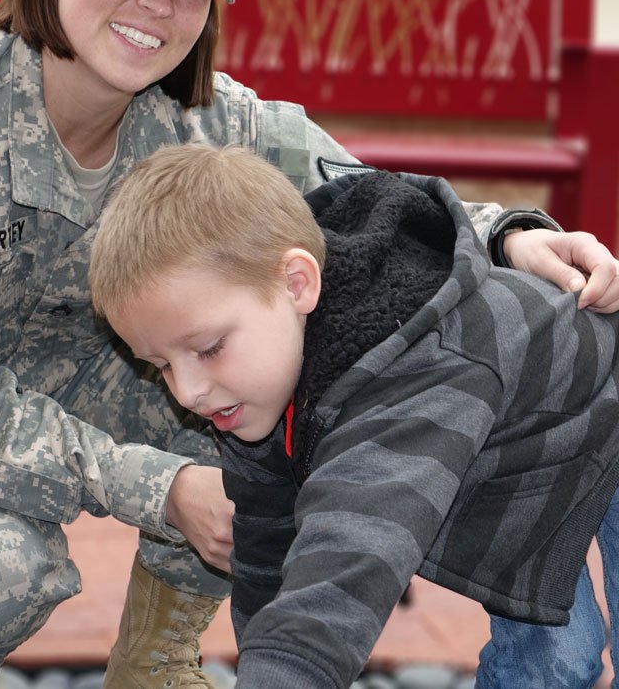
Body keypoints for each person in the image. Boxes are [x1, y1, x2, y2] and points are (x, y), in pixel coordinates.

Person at [0, 0, 618, 688]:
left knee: (259, 384)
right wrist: (167, 492)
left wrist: (508, 236)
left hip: (42, 368)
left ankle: (155, 664)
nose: (159, 2)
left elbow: (362, 203)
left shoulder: (202, 119)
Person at [88, 143, 619, 689]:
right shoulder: (257, 383)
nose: (190, 392)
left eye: (208, 348)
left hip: (602, 403)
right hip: (532, 450)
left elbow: (349, 558)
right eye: (161, 366)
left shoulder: (407, 375)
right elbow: (269, 549)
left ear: (297, 284)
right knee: (556, 660)